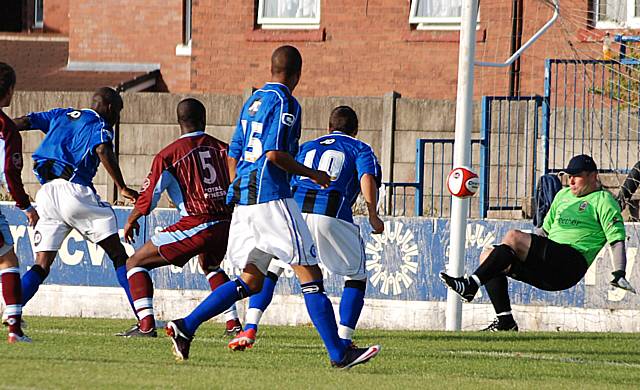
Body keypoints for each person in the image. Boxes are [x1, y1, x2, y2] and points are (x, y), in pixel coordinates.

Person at [165, 45, 381, 369]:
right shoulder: (285, 103)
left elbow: (234, 153)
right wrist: (314, 174)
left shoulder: (252, 101)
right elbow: (274, 155)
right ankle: (339, 352)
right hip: (272, 199)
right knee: (310, 272)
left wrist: (241, 184)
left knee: (250, 281)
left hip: (247, 202)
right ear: (298, 74)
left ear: (271, 68)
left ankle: (186, 326)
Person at [228, 105, 384, 351]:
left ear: (329, 128)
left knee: (273, 268)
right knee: (356, 275)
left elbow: (284, 172)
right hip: (332, 213)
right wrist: (373, 214)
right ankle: (344, 339)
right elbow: (367, 177)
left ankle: (250, 326)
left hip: (296, 211)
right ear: (355, 130)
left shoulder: (308, 147)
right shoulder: (360, 147)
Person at [440, 154, 636, 331]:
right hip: (549, 266)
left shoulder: (603, 200)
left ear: (594, 176)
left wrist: (619, 273)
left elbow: (616, 239)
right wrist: (524, 249)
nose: (571, 180)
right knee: (489, 255)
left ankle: (471, 285)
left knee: (513, 236)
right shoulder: (562, 195)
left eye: (577, 175)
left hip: (571, 262)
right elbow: (543, 232)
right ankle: (505, 322)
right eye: (569, 176)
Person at [12, 87, 139, 322]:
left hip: (47, 194)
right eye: (118, 112)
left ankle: (12, 311)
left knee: (42, 263)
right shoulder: (99, 124)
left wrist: (4, 127)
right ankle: (145, 319)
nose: (118, 118)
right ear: (110, 108)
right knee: (119, 255)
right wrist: (121, 186)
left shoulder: (62, 114)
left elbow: (26, 121)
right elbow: (102, 148)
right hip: (73, 191)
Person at [119, 98, 241, 337]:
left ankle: (145, 326)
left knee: (134, 263)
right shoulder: (225, 149)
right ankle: (233, 323)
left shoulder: (168, 155)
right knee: (211, 266)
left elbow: (149, 197)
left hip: (197, 223)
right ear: (204, 120)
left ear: (178, 122)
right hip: (226, 224)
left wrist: (132, 218)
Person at [0, 63, 38, 343]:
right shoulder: (6, 128)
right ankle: (14, 328)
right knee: (7, 260)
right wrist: (26, 206)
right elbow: (10, 173)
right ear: (9, 90)